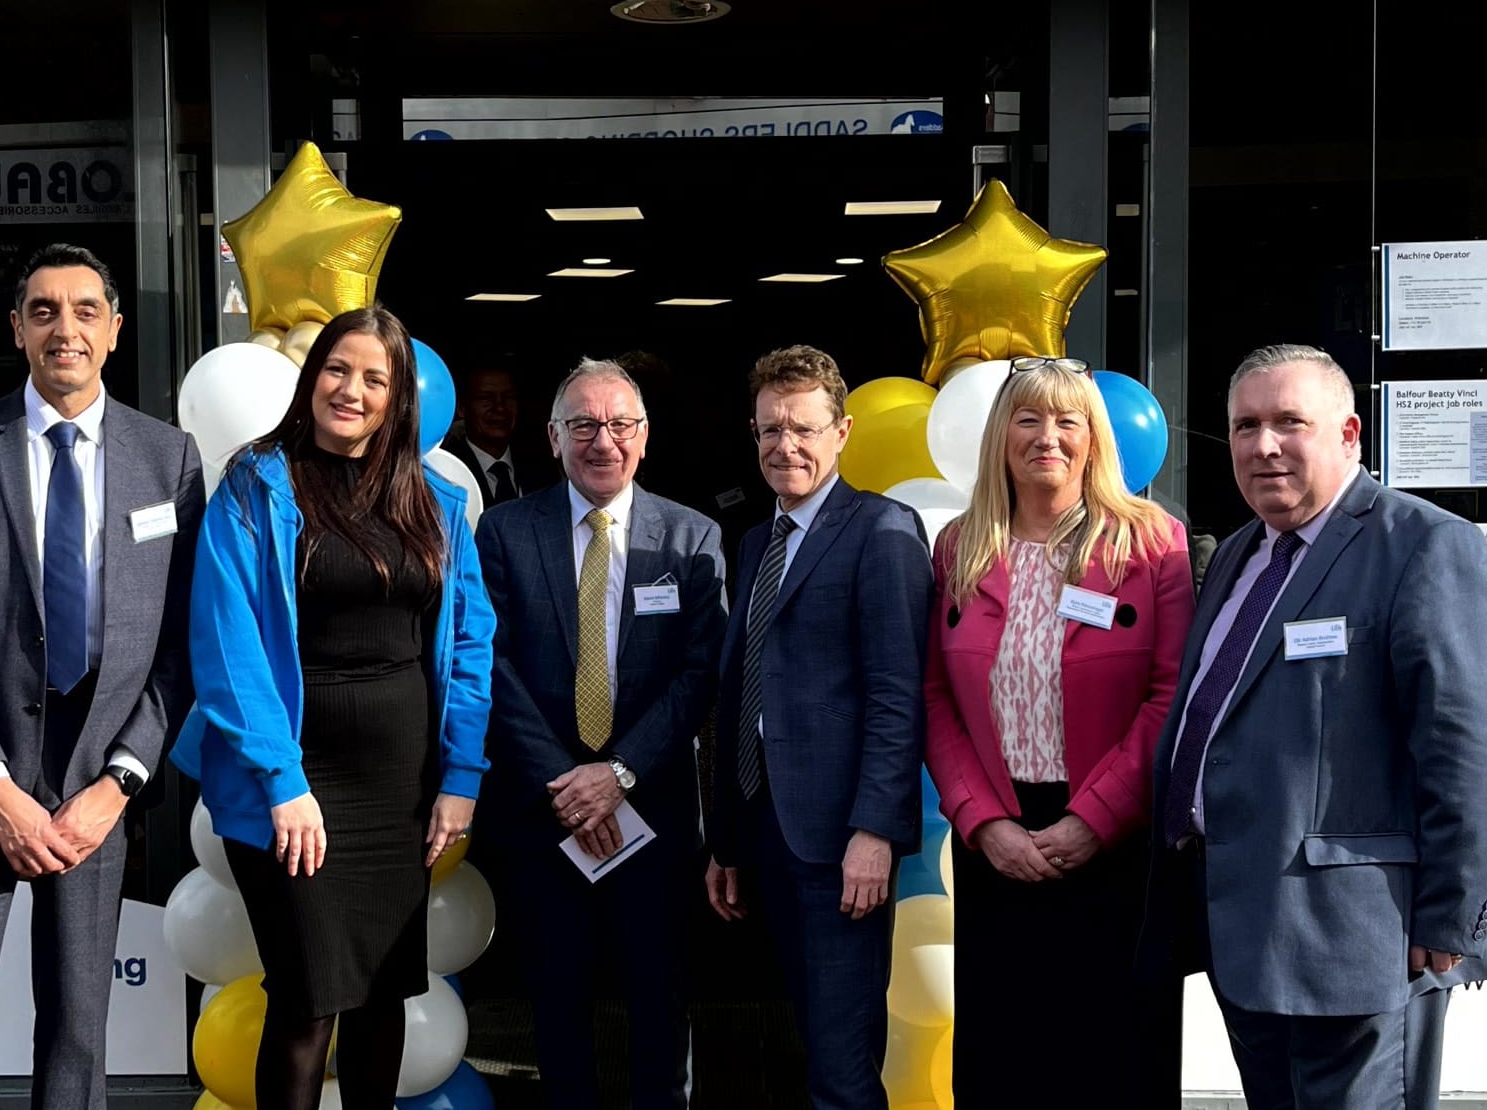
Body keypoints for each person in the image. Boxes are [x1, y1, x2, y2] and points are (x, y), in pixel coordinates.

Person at [0, 247, 204, 1110]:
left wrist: (120, 783)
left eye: (85, 311)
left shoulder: (168, 459)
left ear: (114, 331)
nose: (66, 329)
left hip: (97, 785)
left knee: (76, 1035)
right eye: (45, 311)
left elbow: (180, 643)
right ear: (18, 329)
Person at [1153, 345, 1487, 1110]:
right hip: (1245, 929)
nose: (1263, 446)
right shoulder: (1238, 554)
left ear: (1349, 434)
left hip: (1359, 937)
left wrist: (1451, 916)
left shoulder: (1419, 544)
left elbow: (1469, 751)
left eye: (1290, 422)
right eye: (1245, 426)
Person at [188, 306, 497, 1110]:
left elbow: (469, 643)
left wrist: (461, 774)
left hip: (400, 786)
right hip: (288, 781)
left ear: (399, 399)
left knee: (382, 995)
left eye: (374, 378)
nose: (350, 390)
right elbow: (228, 649)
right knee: (305, 999)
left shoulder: (432, 500)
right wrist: (283, 784)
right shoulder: (255, 487)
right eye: (336, 369)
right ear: (310, 376)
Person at [921, 358, 1196, 1110]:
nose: (1048, 437)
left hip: (1113, 849)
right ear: (1000, 436)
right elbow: (934, 698)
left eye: (1067, 420)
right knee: (1004, 1059)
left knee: (1110, 1059)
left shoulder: (1152, 544)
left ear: (1092, 437)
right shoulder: (958, 549)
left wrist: (1092, 821)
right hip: (996, 848)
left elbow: (1170, 697)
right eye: (1028, 418)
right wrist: (982, 823)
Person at [471, 358, 729, 1110]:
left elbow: (699, 673)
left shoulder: (691, 537)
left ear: (644, 438)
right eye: (583, 425)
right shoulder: (505, 531)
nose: (602, 441)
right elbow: (489, 661)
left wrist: (615, 776)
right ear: (552, 438)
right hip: (543, 811)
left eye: (620, 425)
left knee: (659, 997)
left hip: (651, 811)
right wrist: (567, 784)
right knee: (557, 1001)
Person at [700, 345, 928, 1110]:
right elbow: (739, 692)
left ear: (842, 433)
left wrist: (875, 831)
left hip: (840, 842)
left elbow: (898, 695)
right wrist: (726, 839)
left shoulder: (882, 530)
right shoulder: (755, 541)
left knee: (840, 1062)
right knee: (799, 1038)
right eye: (768, 429)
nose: (783, 446)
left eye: (801, 428)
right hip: (766, 832)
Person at [444, 362, 529, 509]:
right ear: (462, 409)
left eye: (508, 397)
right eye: (486, 398)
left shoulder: (540, 467)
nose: (500, 407)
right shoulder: (446, 472)